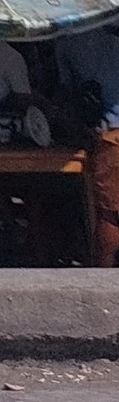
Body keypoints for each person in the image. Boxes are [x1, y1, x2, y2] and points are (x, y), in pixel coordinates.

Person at [60, 19, 119, 271]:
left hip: (112, 135)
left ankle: (101, 279)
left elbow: (67, 92)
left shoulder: (65, 39)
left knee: (111, 214)